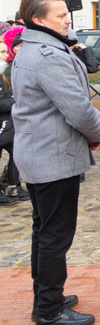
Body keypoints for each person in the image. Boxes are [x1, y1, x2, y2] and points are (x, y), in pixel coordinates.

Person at [12, 0, 100, 325]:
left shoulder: (34, 48)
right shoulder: (48, 55)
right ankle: (49, 311)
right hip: (52, 156)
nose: (68, 19)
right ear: (38, 19)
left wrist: (93, 129)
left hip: (40, 152)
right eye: (60, 15)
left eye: (67, 13)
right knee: (55, 235)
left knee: (44, 231)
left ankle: (47, 297)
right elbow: (78, 109)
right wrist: (98, 131)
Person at [0, 40, 27, 206]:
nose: (6, 56)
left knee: (17, 151)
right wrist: (15, 100)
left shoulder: (3, 73)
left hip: (7, 121)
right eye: (2, 52)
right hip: (3, 122)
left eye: (5, 52)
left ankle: (12, 186)